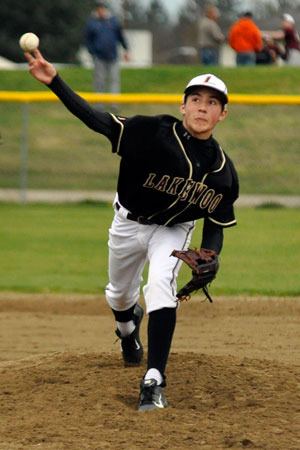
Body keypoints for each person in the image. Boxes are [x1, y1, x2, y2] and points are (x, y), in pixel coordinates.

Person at [24, 49, 239, 411]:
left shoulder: (223, 173)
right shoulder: (153, 131)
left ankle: (154, 379)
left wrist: (210, 255)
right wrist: (55, 82)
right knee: (119, 298)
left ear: (223, 113)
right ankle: (128, 330)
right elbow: (98, 121)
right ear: (183, 106)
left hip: (172, 231)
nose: (203, 107)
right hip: (127, 223)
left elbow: (215, 224)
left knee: (159, 285)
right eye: (196, 100)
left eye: (213, 102)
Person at [84, 1, 129, 109]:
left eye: (103, 8)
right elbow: (87, 40)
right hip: (99, 57)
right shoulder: (92, 23)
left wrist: (126, 50)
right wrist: (92, 52)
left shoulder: (113, 22)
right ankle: (99, 104)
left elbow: (120, 37)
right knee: (99, 82)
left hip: (113, 56)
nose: (101, 11)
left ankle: (114, 104)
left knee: (114, 81)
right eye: (99, 8)